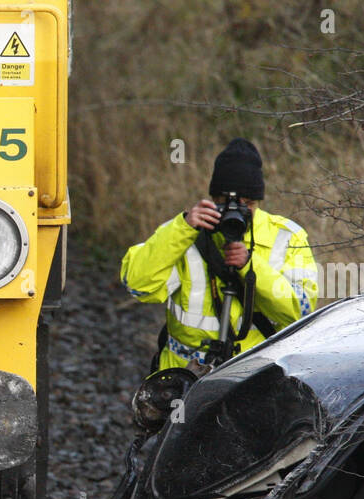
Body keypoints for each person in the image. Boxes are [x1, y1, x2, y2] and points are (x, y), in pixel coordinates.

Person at [120, 138, 319, 372]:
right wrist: (182, 228)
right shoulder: (184, 233)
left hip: (252, 376)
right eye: (226, 202)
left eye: (248, 204)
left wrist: (250, 266)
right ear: (213, 199)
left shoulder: (286, 237)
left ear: (258, 202)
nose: (238, 211)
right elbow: (138, 285)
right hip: (183, 376)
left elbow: (300, 313)